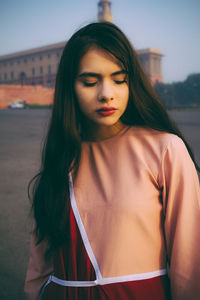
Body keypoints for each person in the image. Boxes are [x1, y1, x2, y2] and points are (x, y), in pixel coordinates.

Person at [24, 22, 200, 300]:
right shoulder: (61, 158)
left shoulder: (164, 149)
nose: (106, 93)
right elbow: (38, 266)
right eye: (90, 82)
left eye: (119, 79)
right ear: (70, 86)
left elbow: (189, 262)